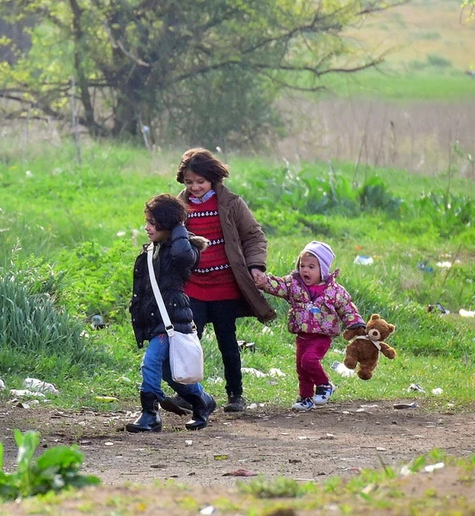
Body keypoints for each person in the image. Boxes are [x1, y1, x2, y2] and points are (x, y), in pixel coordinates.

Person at [162, 148, 277, 417]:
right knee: (189, 340)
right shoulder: (178, 208)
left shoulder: (232, 204)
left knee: (228, 340)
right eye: (189, 182)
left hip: (225, 285)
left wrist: (256, 266)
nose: (195, 187)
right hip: (192, 286)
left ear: (213, 179)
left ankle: (235, 394)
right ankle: (188, 395)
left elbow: (254, 236)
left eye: (200, 182)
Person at [126, 194, 215, 433]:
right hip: (157, 319)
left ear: (167, 224)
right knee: (170, 373)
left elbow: (183, 256)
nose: (147, 227)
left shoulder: (184, 251)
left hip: (172, 320)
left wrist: (179, 228)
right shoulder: (154, 250)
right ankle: (201, 401)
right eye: (147, 221)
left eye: (153, 222)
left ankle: (149, 414)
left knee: (151, 362)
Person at [254, 241, 364, 411]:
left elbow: (346, 307)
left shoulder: (334, 290)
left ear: (323, 270)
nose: (305, 270)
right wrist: (264, 282)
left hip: (321, 336)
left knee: (309, 360)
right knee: (302, 369)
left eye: (311, 267)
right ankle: (306, 398)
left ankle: (325, 385)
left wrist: (355, 323)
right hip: (302, 336)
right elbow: (279, 286)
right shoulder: (294, 284)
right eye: (302, 265)